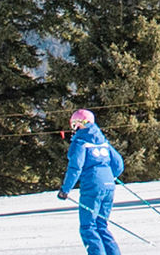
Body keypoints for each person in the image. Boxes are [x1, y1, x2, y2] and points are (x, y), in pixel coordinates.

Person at [57, 109, 126, 255]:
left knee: (88, 226)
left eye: (75, 125)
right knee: (101, 224)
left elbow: (76, 167)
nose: (74, 129)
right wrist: (109, 176)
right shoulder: (103, 141)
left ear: (80, 124)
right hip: (109, 185)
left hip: (92, 186)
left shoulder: (81, 142)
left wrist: (66, 189)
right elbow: (118, 164)